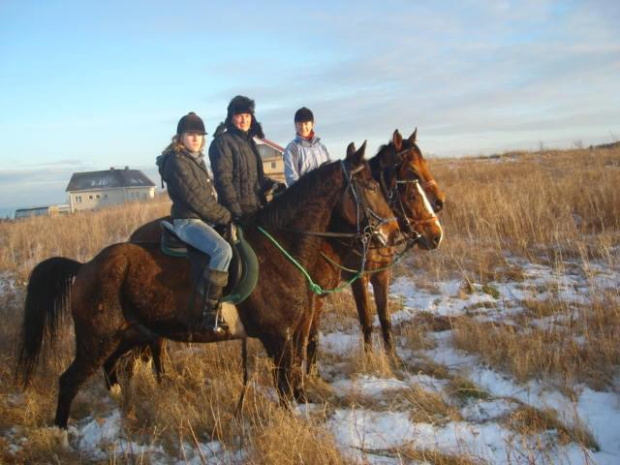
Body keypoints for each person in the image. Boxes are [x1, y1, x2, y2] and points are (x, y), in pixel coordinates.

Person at [158, 112, 232, 333]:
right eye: (191, 134)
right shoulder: (177, 162)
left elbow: (210, 194)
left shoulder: (195, 160)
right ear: (180, 137)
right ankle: (209, 314)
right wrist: (226, 216)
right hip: (189, 221)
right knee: (222, 250)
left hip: (204, 219)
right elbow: (198, 200)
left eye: (199, 135)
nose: (196, 139)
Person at [209, 95, 284, 220]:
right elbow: (223, 181)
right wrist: (236, 212)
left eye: (247, 116)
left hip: (255, 208)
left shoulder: (250, 143)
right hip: (236, 213)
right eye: (239, 116)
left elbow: (254, 177)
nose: (244, 120)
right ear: (231, 118)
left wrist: (275, 185)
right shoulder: (223, 142)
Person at [283, 107, 331, 186]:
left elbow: (329, 170)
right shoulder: (292, 148)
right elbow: (292, 179)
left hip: (324, 193)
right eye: (300, 124)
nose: (303, 127)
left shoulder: (321, 147)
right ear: (295, 125)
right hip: (307, 195)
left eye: (306, 124)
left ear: (312, 124)